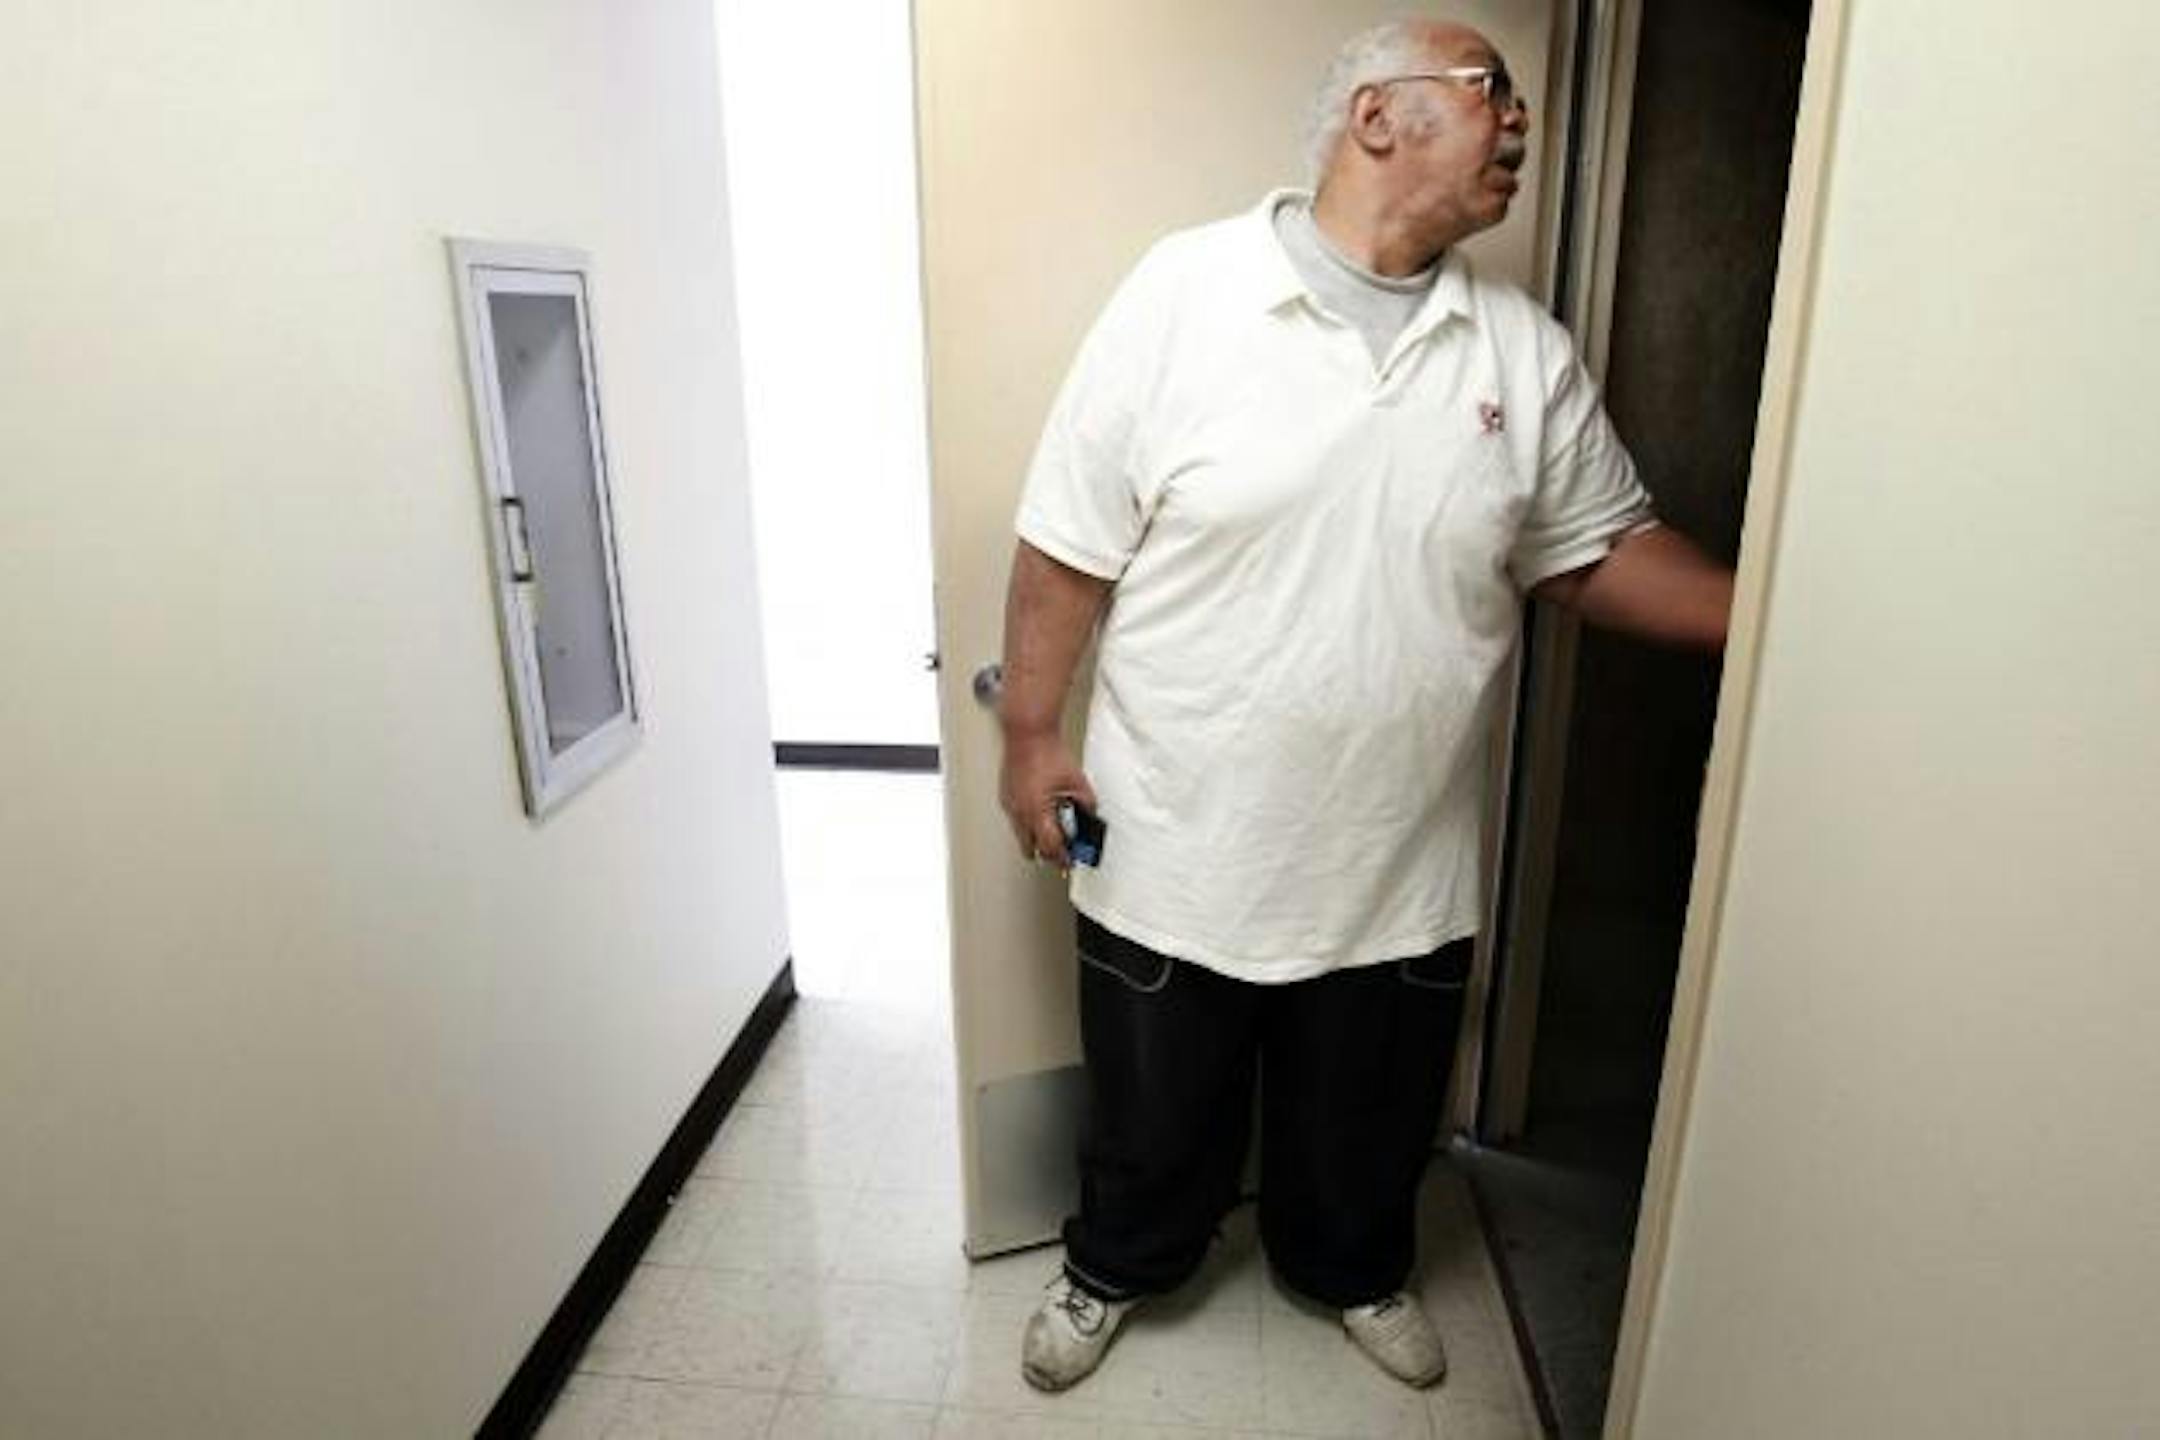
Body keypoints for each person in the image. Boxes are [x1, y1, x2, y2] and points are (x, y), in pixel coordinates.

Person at [996, 18, 1734, 1394]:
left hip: (1399, 851)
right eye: (1490, 95)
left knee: (1369, 1118)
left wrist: (1784, 621)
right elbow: (1065, 544)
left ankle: (1353, 1270)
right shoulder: (1187, 291)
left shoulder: (1516, 346)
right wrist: (1034, 735)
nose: (1518, 123)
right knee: (1158, 1106)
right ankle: (1117, 1266)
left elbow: (1598, 553)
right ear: (1380, 118)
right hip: (1177, 825)